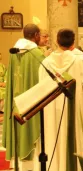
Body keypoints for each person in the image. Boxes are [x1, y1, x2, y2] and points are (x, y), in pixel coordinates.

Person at [35, 29, 83, 171]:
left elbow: (41, 88)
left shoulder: (46, 62)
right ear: (73, 43)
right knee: (73, 136)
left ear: (56, 41)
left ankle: (55, 166)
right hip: (72, 107)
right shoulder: (78, 61)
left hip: (51, 108)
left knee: (53, 134)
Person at [2, 23, 44, 168]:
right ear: (36, 35)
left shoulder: (14, 51)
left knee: (18, 131)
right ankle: (31, 165)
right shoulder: (36, 54)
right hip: (30, 103)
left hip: (16, 102)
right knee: (31, 129)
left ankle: (17, 163)